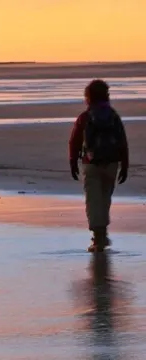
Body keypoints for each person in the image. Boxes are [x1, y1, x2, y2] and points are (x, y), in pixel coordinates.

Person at [69, 79, 129, 252]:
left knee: (93, 200)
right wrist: (124, 164)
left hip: (91, 163)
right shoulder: (113, 116)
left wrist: (73, 161)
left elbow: (74, 141)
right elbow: (122, 141)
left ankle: (98, 237)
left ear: (88, 97)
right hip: (111, 163)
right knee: (105, 199)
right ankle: (102, 233)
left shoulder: (85, 117)